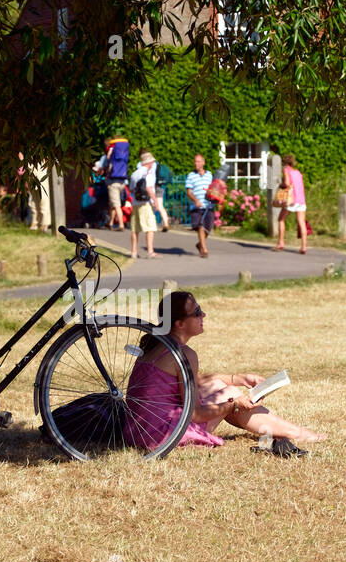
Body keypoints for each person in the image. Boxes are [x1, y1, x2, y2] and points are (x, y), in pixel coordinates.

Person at [124, 291, 326, 449]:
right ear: (180, 324)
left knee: (219, 385)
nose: (203, 314)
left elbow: (190, 380)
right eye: (196, 312)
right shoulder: (185, 354)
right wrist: (233, 405)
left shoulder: (157, 345)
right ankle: (296, 432)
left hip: (138, 430)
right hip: (162, 437)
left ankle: (284, 429)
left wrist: (237, 378)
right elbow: (196, 414)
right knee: (228, 394)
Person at [126, 149, 160, 259]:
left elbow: (131, 189)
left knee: (135, 229)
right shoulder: (148, 174)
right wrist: (156, 202)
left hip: (136, 202)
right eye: (152, 162)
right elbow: (149, 189)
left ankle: (134, 252)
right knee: (150, 227)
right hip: (146, 203)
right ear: (149, 163)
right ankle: (150, 251)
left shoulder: (135, 173)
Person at [273, 153, 308, 254]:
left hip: (291, 199)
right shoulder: (298, 172)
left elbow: (288, 183)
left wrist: (282, 184)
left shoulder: (286, 170)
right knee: (301, 222)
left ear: (285, 162)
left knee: (281, 219)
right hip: (301, 199)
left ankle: (281, 243)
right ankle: (304, 247)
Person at [185, 153, 214, 258]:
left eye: (198, 161)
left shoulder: (210, 175)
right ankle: (204, 250)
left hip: (208, 205)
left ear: (203, 162)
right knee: (200, 227)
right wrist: (195, 200)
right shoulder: (191, 176)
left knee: (208, 228)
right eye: (195, 161)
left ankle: (200, 244)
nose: (196, 164)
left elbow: (214, 188)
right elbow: (189, 192)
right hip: (196, 207)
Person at [103, 136, 130, 230]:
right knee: (113, 203)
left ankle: (121, 224)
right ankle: (110, 223)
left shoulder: (112, 148)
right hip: (122, 181)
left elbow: (108, 157)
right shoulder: (124, 152)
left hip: (113, 182)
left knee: (116, 204)